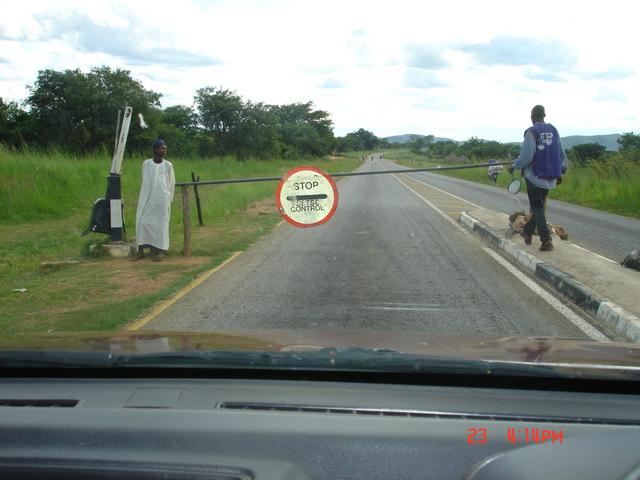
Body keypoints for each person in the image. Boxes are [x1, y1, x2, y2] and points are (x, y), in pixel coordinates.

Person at [509, 105, 567, 251]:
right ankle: (528, 232)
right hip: (550, 177)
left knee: (537, 207)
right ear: (544, 115)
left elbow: (526, 157)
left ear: (532, 117)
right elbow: (561, 153)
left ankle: (546, 240)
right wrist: (561, 170)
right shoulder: (554, 130)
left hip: (534, 176)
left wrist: (514, 165)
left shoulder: (531, 132)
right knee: (539, 207)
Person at [132, 139, 175, 261]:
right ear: (155, 150)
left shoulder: (168, 165)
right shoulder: (147, 164)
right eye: (162, 148)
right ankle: (141, 250)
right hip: (148, 199)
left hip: (162, 200)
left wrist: (168, 197)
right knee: (142, 222)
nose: (165, 150)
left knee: (161, 225)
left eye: (165, 148)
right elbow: (145, 183)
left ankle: (160, 251)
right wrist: (145, 199)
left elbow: (171, 183)